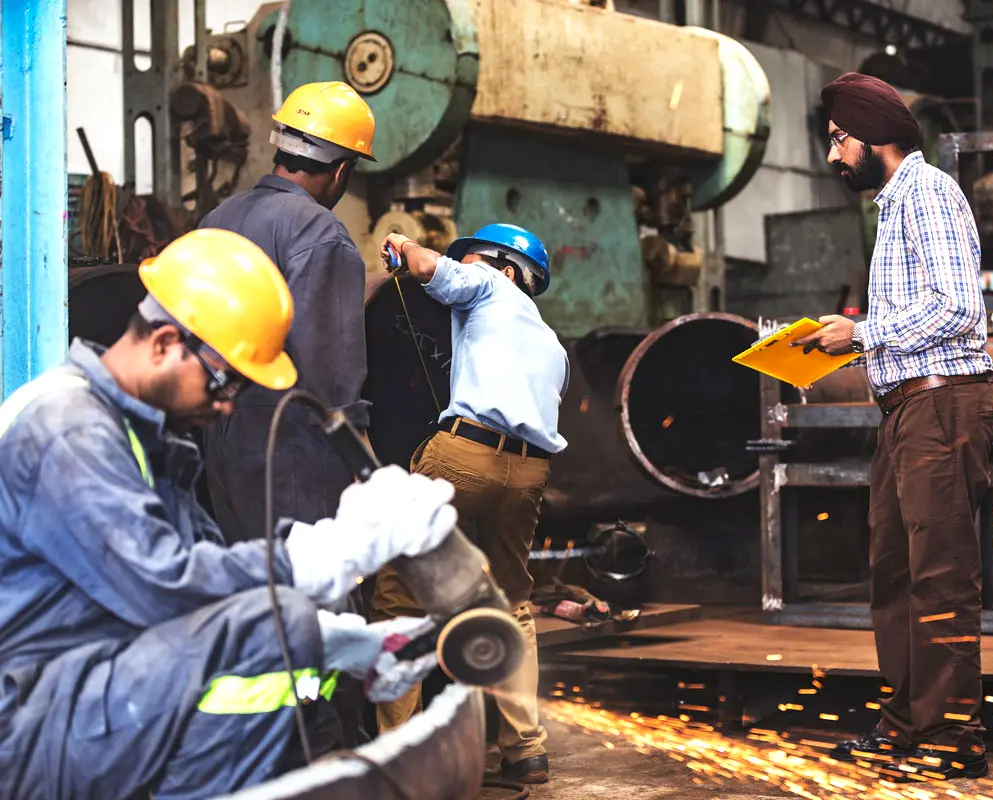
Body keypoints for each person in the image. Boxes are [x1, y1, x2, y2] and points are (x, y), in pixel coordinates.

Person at [0, 229, 455, 799]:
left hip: (87, 684)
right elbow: (162, 588)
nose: (226, 405)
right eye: (225, 381)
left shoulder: (141, 436)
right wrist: (322, 555)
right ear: (165, 343)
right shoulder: (69, 430)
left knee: (288, 631)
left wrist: (338, 644)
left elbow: (204, 569)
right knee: (276, 631)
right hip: (31, 719)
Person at [796, 73, 993, 781]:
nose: (833, 156)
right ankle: (907, 721)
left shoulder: (930, 192)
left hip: (941, 404)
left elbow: (958, 310)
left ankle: (951, 734)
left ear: (874, 137)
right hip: (907, 409)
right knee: (893, 571)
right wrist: (852, 329)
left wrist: (860, 337)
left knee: (939, 573)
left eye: (838, 140)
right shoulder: (894, 207)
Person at [371, 224, 569, 784]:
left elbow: (432, 270)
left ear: (508, 270)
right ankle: (525, 750)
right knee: (512, 603)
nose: (470, 266)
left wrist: (403, 243)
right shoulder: (553, 346)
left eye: (477, 259)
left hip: (465, 455)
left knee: (399, 594)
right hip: (529, 473)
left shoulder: (492, 286)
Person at [198, 80, 375, 546]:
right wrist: (361, 457)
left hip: (221, 439)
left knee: (253, 587)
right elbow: (329, 365)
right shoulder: (318, 229)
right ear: (341, 172)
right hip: (292, 445)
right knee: (313, 596)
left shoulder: (217, 218)